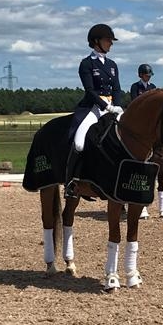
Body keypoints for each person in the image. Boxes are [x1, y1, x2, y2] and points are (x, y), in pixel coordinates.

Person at [65, 23, 123, 198]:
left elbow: (117, 89)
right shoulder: (87, 64)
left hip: (113, 107)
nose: (110, 44)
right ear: (96, 41)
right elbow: (90, 91)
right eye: (108, 40)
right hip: (94, 107)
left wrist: (117, 106)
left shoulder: (112, 64)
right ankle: (71, 182)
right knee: (79, 143)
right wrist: (106, 106)